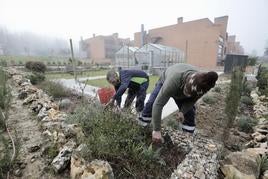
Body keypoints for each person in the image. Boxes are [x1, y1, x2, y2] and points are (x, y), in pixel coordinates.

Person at [138, 63, 218, 143]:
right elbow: (158, 104)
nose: (186, 96)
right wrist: (156, 130)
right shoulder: (173, 80)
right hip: (167, 80)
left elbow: (191, 101)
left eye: (190, 95)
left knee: (189, 114)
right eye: (187, 92)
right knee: (151, 104)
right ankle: (142, 129)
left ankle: (187, 139)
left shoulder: (202, 86)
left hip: (184, 86)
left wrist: (182, 112)